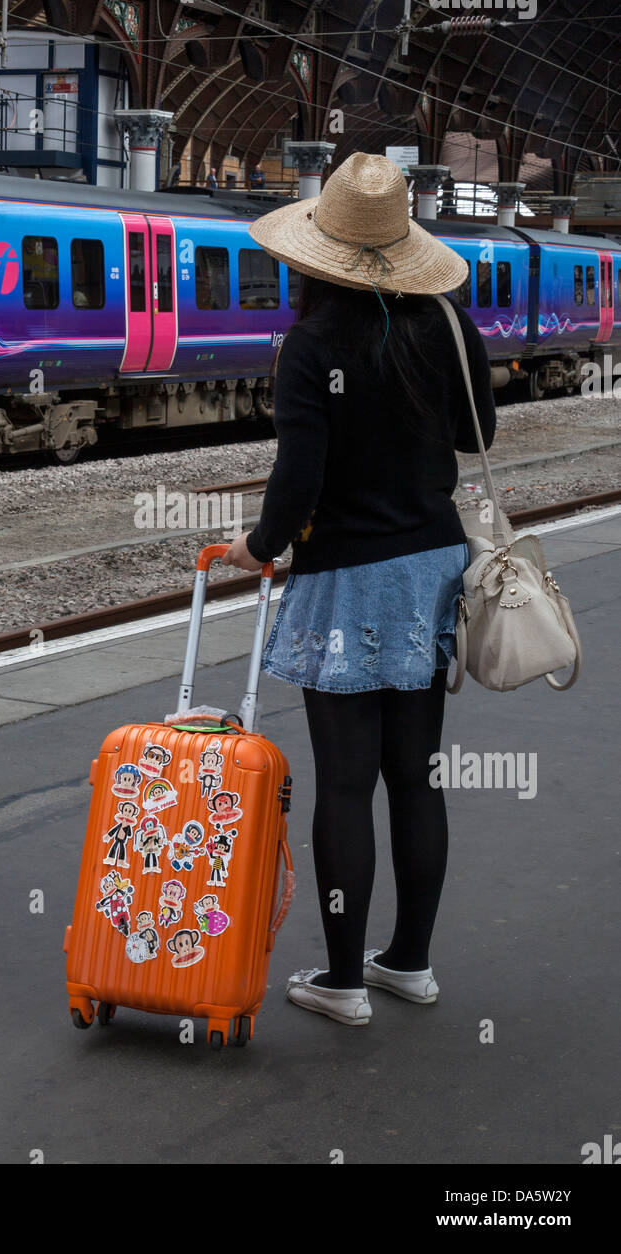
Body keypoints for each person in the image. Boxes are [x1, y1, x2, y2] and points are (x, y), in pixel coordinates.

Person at [222, 152, 495, 1026]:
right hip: (429, 567)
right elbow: (476, 431)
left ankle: (343, 982)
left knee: (345, 782)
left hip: (345, 578)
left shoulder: (310, 345)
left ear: (315, 253)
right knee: (416, 776)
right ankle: (408, 964)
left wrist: (257, 547)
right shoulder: (446, 324)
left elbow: (299, 476)